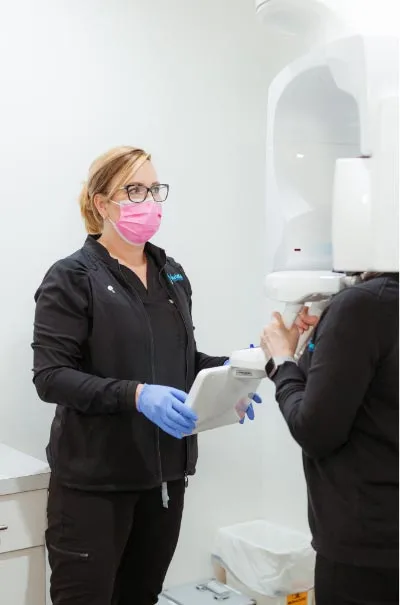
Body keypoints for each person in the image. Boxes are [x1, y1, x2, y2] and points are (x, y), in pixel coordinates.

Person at [32, 145, 261, 605]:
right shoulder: (72, 278)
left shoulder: (171, 274)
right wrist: (136, 395)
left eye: (155, 189)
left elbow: (183, 362)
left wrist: (233, 374)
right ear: (102, 203)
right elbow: (51, 376)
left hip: (163, 484)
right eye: (134, 190)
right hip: (93, 489)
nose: (149, 201)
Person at [260, 272, 399, 605]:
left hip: (367, 547)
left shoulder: (364, 305)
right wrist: (326, 340)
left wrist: (282, 362)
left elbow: (315, 430)